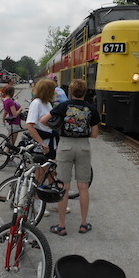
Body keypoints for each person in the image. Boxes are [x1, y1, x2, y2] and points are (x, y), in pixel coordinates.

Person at [41, 79, 100, 236]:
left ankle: (61, 226)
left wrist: (56, 127)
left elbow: (43, 120)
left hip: (65, 146)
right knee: (83, 187)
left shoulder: (63, 106)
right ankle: (83, 224)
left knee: (63, 186)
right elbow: (94, 134)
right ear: (85, 92)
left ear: (71, 91)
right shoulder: (91, 108)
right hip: (83, 147)